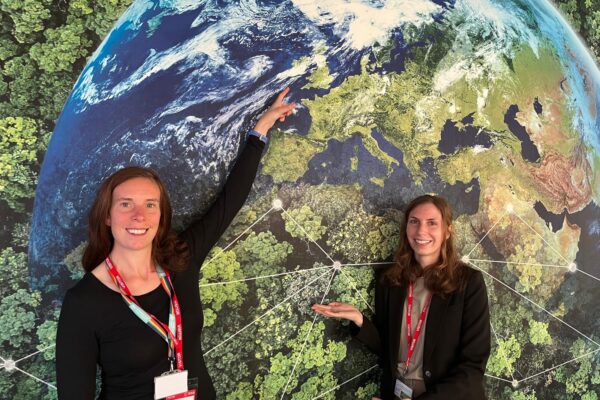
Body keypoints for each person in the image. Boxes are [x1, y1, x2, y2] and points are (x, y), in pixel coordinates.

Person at [55, 89, 295, 400]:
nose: (139, 216)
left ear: (161, 215)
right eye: (126, 204)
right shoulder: (84, 302)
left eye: (150, 205)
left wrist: (259, 131)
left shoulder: (180, 259)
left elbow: (228, 203)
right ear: (107, 217)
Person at [312, 195, 490, 399]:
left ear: (447, 231)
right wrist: (359, 320)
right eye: (414, 222)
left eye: (432, 223)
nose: (421, 231)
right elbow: (389, 351)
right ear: (406, 228)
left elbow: (472, 367)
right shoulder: (389, 280)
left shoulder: (468, 283)